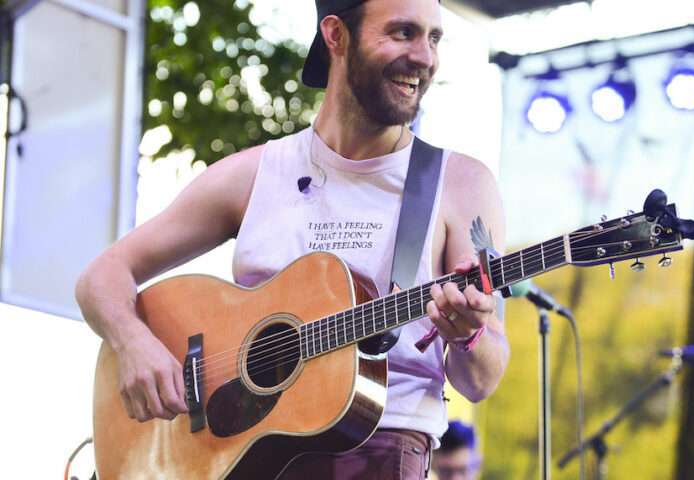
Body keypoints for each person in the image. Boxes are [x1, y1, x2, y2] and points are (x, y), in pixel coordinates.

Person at [75, 0, 509, 478]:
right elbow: (103, 276)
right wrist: (134, 341)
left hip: (379, 452)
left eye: (433, 38)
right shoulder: (258, 172)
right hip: (237, 456)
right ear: (336, 35)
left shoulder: (459, 183)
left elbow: (482, 381)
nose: (425, 57)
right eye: (403, 32)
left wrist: (468, 334)